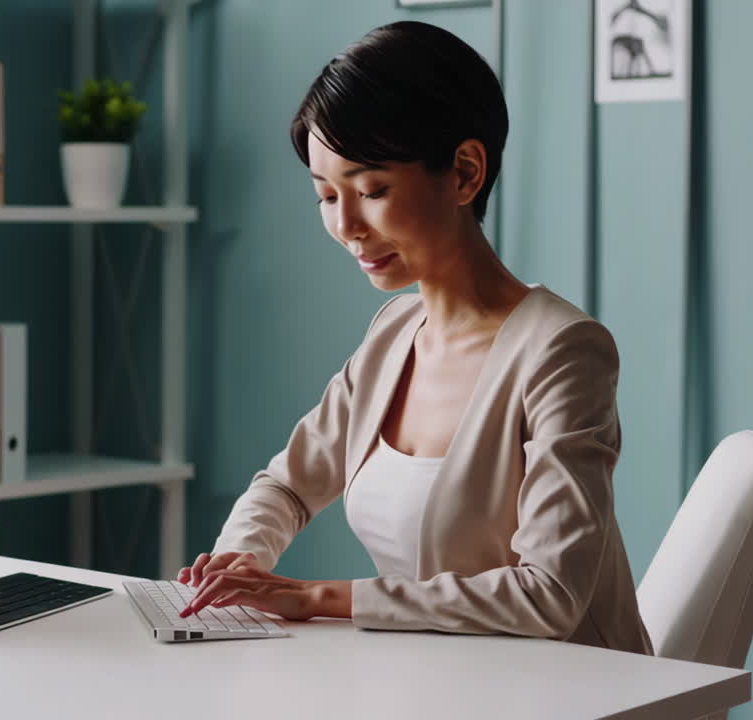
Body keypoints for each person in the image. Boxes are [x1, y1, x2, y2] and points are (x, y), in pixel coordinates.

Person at [178, 21, 652, 655]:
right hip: (438, 675)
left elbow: (550, 595)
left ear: (463, 172)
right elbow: (287, 486)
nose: (347, 225)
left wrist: (319, 599)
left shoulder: (562, 351)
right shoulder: (394, 332)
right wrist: (235, 568)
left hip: (575, 690)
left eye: (372, 189)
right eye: (326, 195)